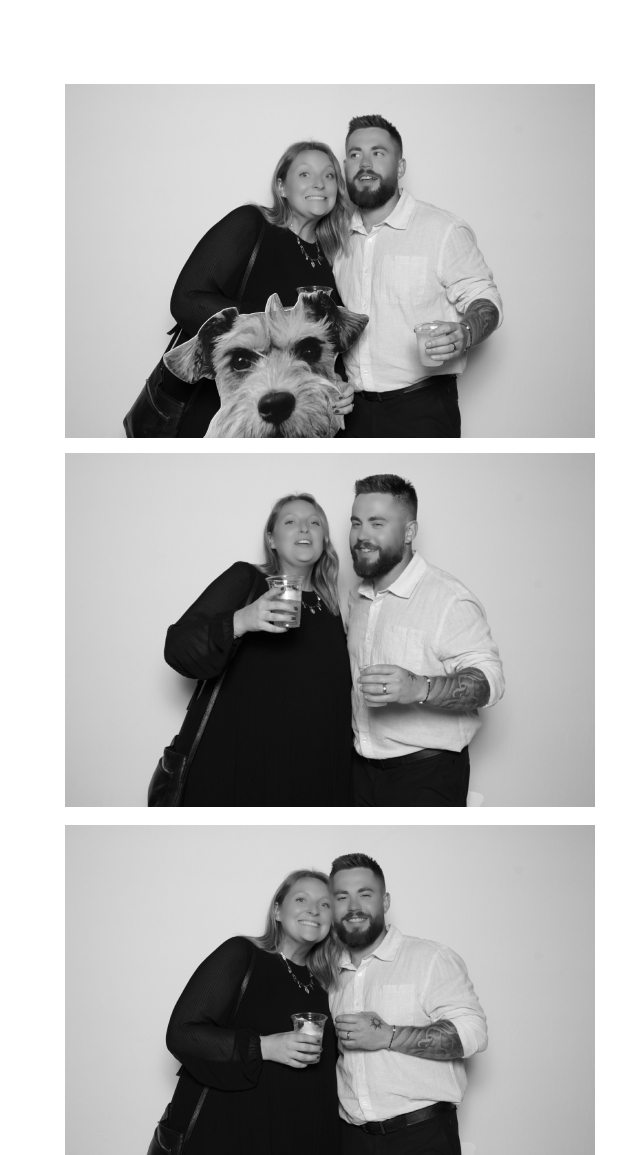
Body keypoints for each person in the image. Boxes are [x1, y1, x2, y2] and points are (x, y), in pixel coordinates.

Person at [161, 494, 352, 806]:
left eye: (314, 522)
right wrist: (242, 620)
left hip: (309, 777)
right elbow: (178, 647)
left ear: (324, 539)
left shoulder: (331, 606)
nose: (304, 528)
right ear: (271, 539)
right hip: (241, 771)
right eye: (290, 521)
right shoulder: (247, 579)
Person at [155, 141, 354, 436]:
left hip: (295, 425)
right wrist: (268, 324)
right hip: (215, 413)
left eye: (329, 176)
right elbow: (186, 299)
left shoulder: (332, 257)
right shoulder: (251, 223)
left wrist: (338, 384)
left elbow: (325, 346)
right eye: (305, 174)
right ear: (281, 186)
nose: (319, 183)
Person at [156, 870, 341, 1155]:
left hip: (298, 1144)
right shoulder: (242, 954)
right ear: (278, 911)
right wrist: (265, 1046)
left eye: (325, 905)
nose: (314, 910)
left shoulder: (327, 984)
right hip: (233, 1138)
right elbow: (182, 1033)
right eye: (301, 899)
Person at [333, 114, 503, 438]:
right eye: (355, 154)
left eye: (378, 153)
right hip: (352, 413)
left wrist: (466, 331)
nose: (365, 163)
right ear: (345, 167)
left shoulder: (441, 229)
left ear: (400, 167)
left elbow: (485, 297)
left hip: (422, 409)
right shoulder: (337, 238)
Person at [346, 474, 505, 806]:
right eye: (356, 523)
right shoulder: (357, 599)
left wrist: (421, 688)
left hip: (427, 775)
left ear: (409, 532)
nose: (362, 536)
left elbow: (491, 682)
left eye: (377, 524)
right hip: (360, 772)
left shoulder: (448, 599)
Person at [329, 853, 488, 1155]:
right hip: (351, 1145)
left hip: (421, 1141)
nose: (354, 906)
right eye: (342, 897)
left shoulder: (429, 959)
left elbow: (474, 1034)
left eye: (365, 894)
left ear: (385, 901)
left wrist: (388, 1036)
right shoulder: (331, 975)